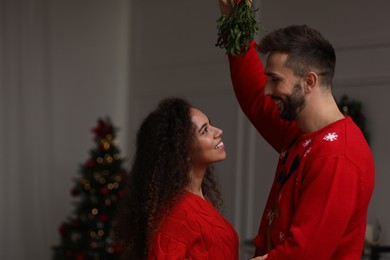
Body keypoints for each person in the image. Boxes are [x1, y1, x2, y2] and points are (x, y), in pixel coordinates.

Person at [217, 1, 375, 259]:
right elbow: (254, 96)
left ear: (309, 81)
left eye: (276, 80)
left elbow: (305, 253)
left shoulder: (336, 156)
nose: (268, 90)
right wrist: (235, 19)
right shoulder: (299, 132)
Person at [115, 97, 239, 259]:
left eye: (210, 124)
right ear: (182, 150)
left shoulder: (197, 201)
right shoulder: (178, 213)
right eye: (205, 130)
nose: (218, 131)